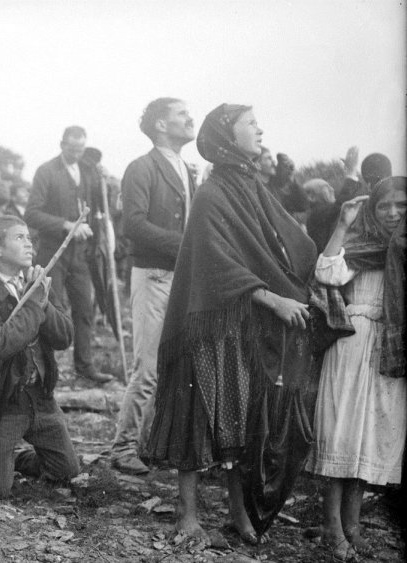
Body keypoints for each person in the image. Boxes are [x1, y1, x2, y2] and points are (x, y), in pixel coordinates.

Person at [143, 104, 319, 545]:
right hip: (209, 322)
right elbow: (215, 262)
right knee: (198, 414)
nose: (261, 129)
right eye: (251, 124)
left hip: (243, 324)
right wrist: (273, 296)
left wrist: (298, 281)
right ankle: (188, 514)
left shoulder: (251, 185)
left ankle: (239, 512)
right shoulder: (212, 194)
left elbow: (281, 243)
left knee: (241, 416)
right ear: (227, 135)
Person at [306, 177, 406, 561]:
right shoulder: (362, 244)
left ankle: (353, 524)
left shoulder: (401, 249)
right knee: (343, 431)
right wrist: (343, 225)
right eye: (384, 206)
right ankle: (332, 526)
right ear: (372, 210)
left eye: (401, 205)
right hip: (354, 339)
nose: (393, 213)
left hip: (390, 349)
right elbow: (327, 273)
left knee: (371, 433)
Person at [0, 215, 79, 500]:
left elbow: (64, 337)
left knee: (67, 471)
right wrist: (33, 303)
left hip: (41, 398)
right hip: (6, 402)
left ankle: (18, 459)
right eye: (19, 238)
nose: (29, 243)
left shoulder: (38, 282)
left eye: (29, 238)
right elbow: (0, 345)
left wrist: (42, 300)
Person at [109, 98, 195, 476]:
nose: (190, 119)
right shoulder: (141, 167)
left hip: (181, 278)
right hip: (154, 276)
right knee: (147, 368)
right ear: (161, 125)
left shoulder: (186, 169)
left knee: (175, 367)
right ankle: (122, 448)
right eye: (181, 114)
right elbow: (134, 224)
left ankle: (154, 445)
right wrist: (187, 246)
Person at [25, 126, 113, 384]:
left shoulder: (87, 171)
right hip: (53, 251)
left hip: (80, 254)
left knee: (85, 310)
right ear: (61, 144)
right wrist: (67, 226)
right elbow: (32, 213)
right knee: (50, 309)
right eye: (72, 149)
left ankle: (84, 367)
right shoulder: (46, 171)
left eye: (80, 149)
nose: (76, 154)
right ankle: (45, 369)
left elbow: (100, 202)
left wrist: (105, 182)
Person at [268, 153, 309, 222]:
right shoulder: (270, 186)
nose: (273, 162)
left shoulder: (287, 185)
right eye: (268, 158)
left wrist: (291, 176)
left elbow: (304, 207)